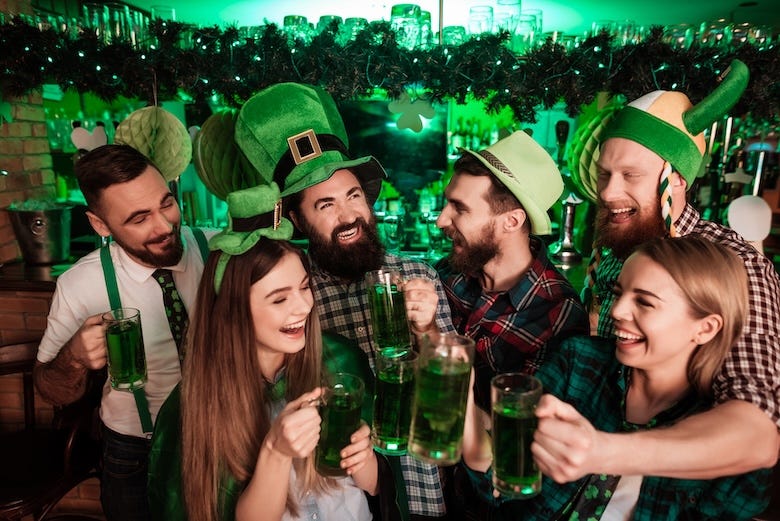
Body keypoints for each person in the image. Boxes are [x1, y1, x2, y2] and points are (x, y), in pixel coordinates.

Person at [233, 82, 455, 520]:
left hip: (416, 482)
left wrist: (428, 331)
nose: (348, 215)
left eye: (354, 196)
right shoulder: (297, 297)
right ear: (296, 217)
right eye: (326, 205)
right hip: (331, 487)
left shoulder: (417, 276)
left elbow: (448, 406)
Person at [560, 59, 780, 484]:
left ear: (676, 178)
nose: (608, 192)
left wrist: (605, 452)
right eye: (605, 175)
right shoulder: (618, 251)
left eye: (629, 175)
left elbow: (758, 430)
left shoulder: (736, 265)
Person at [462, 235, 770, 520]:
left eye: (645, 302)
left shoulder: (722, 432)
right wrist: (463, 399)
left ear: (705, 328)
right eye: (618, 293)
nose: (617, 311)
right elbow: (503, 481)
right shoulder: (580, 362)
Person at [148, 182, 395, 521]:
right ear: (234, 311)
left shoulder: (340, 360)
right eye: (279, 299)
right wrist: (276, 452)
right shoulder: (191, 407)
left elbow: (378, 488)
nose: (302, 308)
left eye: (305, 287)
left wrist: (365, 460)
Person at [33, 144, 213, 520]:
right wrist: (75, 358)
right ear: (101, 225)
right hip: (135, 452)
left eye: (167, 203)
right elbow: (50, 388)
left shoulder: (214, 249)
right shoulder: (79, 284)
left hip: (219, 435)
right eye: (139, 218)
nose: (164, 225)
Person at [435, 130, 589, 413]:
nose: (441, 219)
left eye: (460, 208)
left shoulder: (557, 314)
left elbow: (518, 430)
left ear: (511, 221)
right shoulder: (449, 272)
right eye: (447, 203)